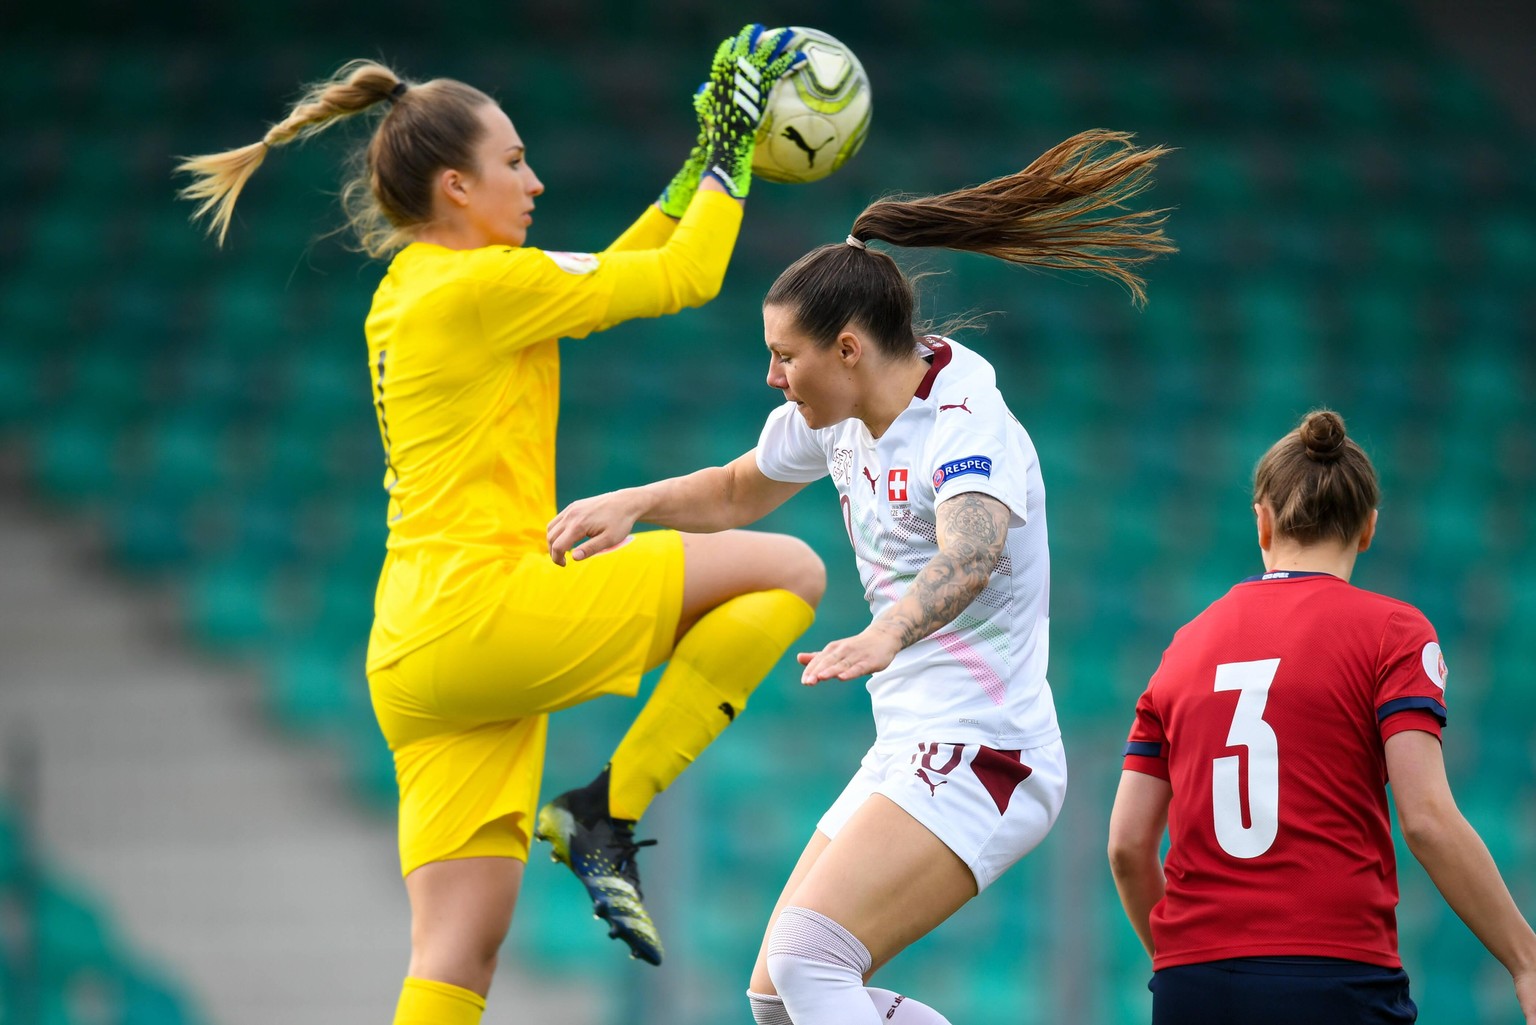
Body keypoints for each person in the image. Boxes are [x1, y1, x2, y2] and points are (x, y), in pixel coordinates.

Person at [177, 27, 823, 1025]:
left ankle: (595, 817)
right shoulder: (482, 286)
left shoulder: (423, 287)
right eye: (513, 162)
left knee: (455, 952)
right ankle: (608, 808)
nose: (536, 180)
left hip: (417, 649)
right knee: (790, 568)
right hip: (486, 612)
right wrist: (736, 144)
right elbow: (686, 277)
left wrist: (703, 156)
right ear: (454, 189)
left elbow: (621, 263)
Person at [547, 128, 1175, 1024]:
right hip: (912, 742)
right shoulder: (838, 410)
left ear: (847, 348)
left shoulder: (966, 423)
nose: (773, 376)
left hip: (987, 750)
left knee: (810, 964)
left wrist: (884, 632)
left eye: (784, 356)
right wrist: (636, 502)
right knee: (775, 997)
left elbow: (971, 551)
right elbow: (735, 490)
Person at [1107, 410, 1536, 1025]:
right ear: (1368, 529)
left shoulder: (1182, 648)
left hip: (1192, 984)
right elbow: (1427, 820)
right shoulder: (1393, 631)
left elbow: (1126, 845)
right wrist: (1526, 959)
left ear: (1262, 520)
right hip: (1332, 973)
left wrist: (1179, 962)